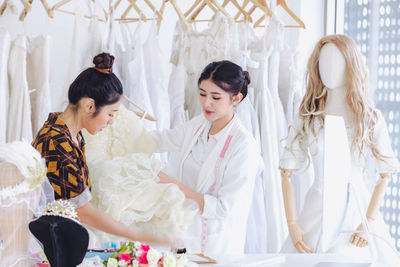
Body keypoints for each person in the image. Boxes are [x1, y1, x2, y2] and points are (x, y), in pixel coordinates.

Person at [279, 34, 400, 266]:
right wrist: (292, 224)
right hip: (316, 211)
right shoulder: (308, 118)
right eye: (323, 62)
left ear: (350, 65)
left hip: (357, 213)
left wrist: (369, 221)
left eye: (337, 62)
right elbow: (286, 172)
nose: (329, 69)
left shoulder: (370, 119)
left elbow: (386, 174)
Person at [32, 52, 161, 245]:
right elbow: (83, 211)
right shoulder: (56, 141)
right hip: (50, 244)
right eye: (110, 114)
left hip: (64, 237)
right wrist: (135, 236)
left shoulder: (73, 134)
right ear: (89, 106)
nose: (111, 121)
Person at [151, 60, 262, 256]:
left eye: (215, 97)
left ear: (236, 98)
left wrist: (172, 185)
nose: (206, 103)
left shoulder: (244, 147)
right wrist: (118, 129)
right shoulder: (198, 125)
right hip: (183, 238)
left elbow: (224, 209)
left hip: (217, 246)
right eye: (202, 94)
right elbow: (162, 140)